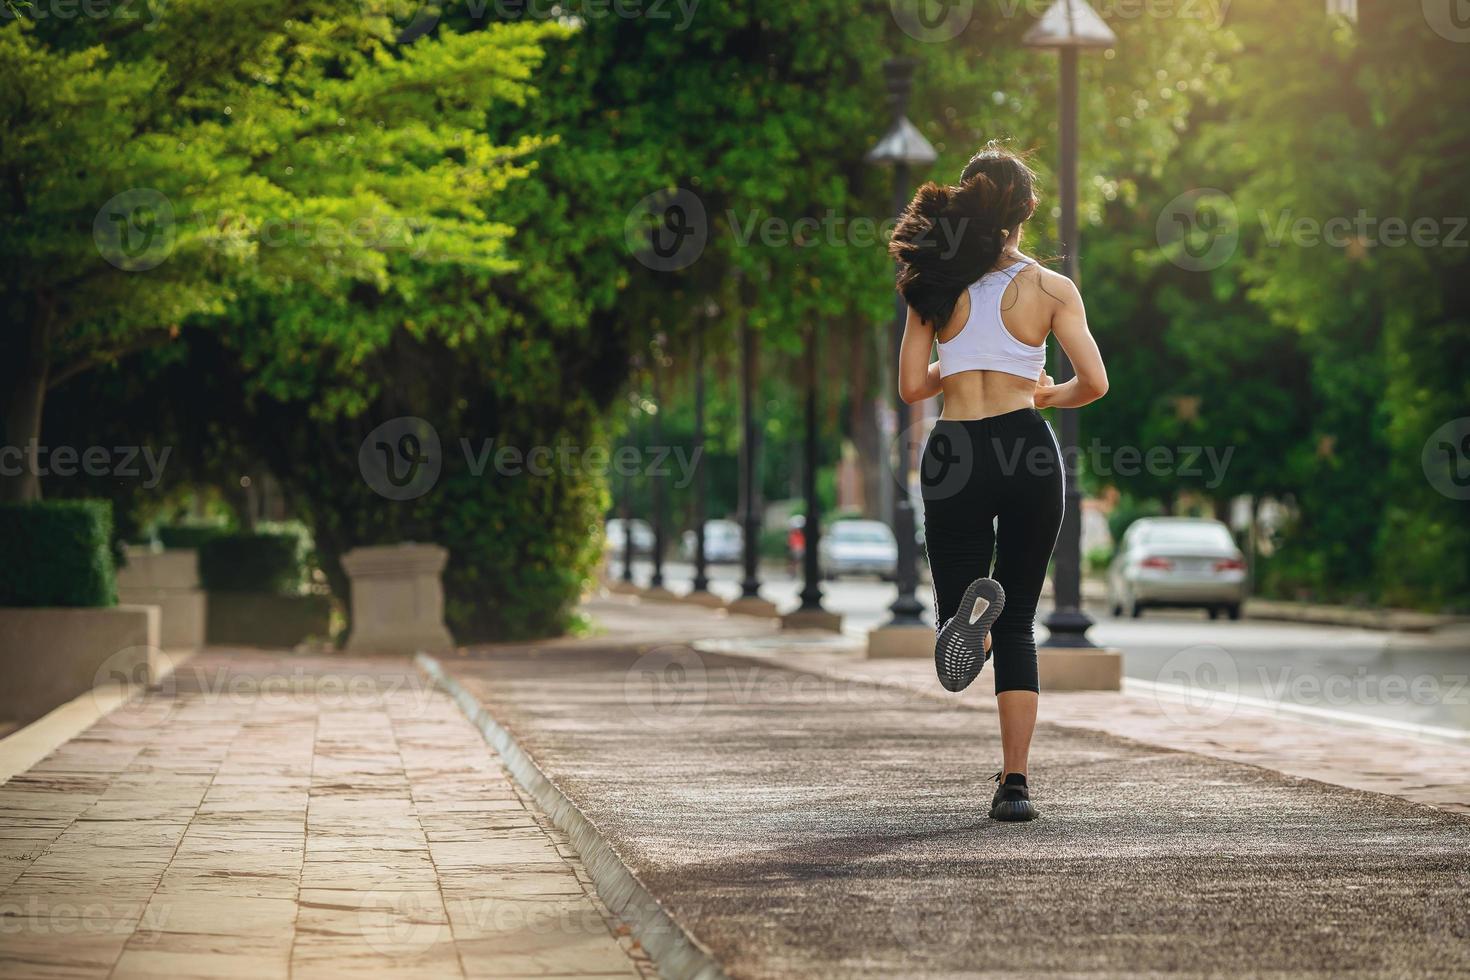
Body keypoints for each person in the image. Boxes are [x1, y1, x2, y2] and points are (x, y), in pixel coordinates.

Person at [890, 142, 1109, 822]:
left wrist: (957, 368)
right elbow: (1094, 384)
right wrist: (1044, 395)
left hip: (956, 447)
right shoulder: (1050, 287)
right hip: (1025, 450)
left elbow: (909, 387)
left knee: (960, 603)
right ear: (1025, 213)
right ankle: (1015, 785)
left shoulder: (933, 284)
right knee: (1020, 622)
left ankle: (968, 628)